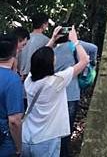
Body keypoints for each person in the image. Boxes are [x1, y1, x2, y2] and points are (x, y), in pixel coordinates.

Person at [22, 26, 89, 157]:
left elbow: (39, 57)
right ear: (50, 64)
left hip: (26, 138)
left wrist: (53, 39)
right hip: (46, 140)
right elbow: (84, 60)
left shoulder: (29, 81)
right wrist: (75, 41)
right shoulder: (56, 81)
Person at [53, 29, 97, 157]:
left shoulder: (51, 50)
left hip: (55, 94)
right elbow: (93, 48)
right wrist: (92, 65)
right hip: (71, 93)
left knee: (56, 128)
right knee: (67, 128)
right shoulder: (75, 45)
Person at [0, 34, 23, 157]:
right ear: (14, 53)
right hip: (4, 139)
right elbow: (14, 121)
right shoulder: (13, 80)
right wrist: (19, 146)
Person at [18, 14, 50, 81]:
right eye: (47, 23)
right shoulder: (47, 41)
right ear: (43, 25)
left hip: (18, 74)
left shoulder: (23, 38)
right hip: (33, 77)